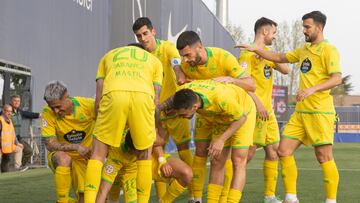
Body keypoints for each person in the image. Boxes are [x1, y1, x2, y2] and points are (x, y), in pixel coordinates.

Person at [236, 11, 342, 203]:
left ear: (319, 28)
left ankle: (331, 200)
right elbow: (278, 57)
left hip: (320, 112)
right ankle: (291, 198)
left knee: (323, 156)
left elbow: (336, 79)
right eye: (303, 26)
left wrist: (312, 90)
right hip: (301, 113)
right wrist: (254, 49)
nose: (304, 30)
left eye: (307, 27)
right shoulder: (303, 50)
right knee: (283, 151)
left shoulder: (329, 50)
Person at [175, 30, 256, 203]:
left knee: (238, 159)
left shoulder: (223, 58)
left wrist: (231, 79)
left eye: (187, 55)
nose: (185, 60)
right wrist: (178, 72)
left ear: (200, 47)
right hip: (209, 112)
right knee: (209, 155)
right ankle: (195, 198)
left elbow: (251, 85)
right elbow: (178, 70)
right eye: (182, 56)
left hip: (238, 110)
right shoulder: (186, 64)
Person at [84, 44, 163, 203]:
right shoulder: (154, 60)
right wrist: (151, 125)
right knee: (144, 157)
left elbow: (99, 96)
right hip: (143, 96)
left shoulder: (108, 55)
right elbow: (156, 98)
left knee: (98, 155)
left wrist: (99, 116)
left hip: (114, 94)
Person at [157, 80, 256, 203]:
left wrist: (221, 139)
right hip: (221, 115)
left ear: (194, 107)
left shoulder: (221, 98)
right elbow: (171, 100)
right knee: (216, 159)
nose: (181, 116)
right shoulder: (186, 90)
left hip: (243, 112)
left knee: (238, 160)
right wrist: (157, 109)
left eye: (183, 114)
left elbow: (241, 118)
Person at [132, 17, 193, 199]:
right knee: (158, 149)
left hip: (174, 108)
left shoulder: (166, 48)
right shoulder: (141, 55)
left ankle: (194, 195)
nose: (142, 38)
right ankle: (162, 198)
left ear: (153, 31)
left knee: (183, 148)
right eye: (138, 35)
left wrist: (180, 75)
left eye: (145, 33)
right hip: (154, 111)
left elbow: (176, 65)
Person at [237, 17, 290, 203]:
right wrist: (258, 104)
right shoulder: (246, 55)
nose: (275, 36)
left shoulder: (266, 53)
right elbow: (243, 84)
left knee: (273, 151)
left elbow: (286, 70)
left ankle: (269, 196)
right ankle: (231, 192)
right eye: (274, 32)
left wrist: (265, 53)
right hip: (254, 111)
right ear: (265, 31)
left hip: (269, 112)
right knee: (246, 154)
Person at [97, 130, 193, 203]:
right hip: (128, 173)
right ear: (131, 151)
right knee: (112, 194)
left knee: (186, 173)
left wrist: (162, 160)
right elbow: (102, 190)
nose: (145, 152)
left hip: (149, 163)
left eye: (146, 149)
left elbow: (160, 141)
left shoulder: (136, 126)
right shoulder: (114, 157)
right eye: (142, 151)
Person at [41, 80, 95, 203]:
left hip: (86, 158)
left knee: (88, 199)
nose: (55, 111)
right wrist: (76, 147)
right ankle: (62, 200)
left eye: (58, 106)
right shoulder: (47, 112)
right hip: (64, 156)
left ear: (67, 98)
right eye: (51, 107)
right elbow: (50, 144)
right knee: (63, 157)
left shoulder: (88, 106)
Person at [10, 95, 41, 167]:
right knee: (6, 156)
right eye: (15, 101)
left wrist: (39, 115)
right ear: (11, 102)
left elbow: (28, 114)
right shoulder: (7, 110)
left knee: (29, 151)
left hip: (18, 138)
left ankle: (21, 166)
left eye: (18, 101)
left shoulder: (19, 111)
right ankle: (14, 168)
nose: (17, 102)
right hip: (8, 138)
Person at [0, 104, 24, 172]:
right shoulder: (0, 120)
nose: (10, 113)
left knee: (19, 148)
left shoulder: (10, 121)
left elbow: (13, 134)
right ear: (3, 111)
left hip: (9, 146)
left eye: (11, 111)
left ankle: (17, 168)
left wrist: (17, 143)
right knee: (4, 166)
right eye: (8, 111)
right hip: (1, 147)